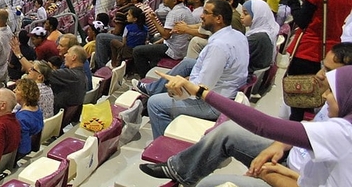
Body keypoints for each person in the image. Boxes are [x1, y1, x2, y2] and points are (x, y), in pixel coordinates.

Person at [139, 42, 352, 185]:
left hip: (293, 176)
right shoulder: (341, 99)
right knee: (229, 131)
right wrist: (281, 144)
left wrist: (272, 173)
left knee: (208, 184)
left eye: (328, 70)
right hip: (296, 164)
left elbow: (264, 125)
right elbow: (309, 130)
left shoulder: (343, 131)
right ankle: (178, 168)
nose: (320, 75)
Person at [137, 0, 249, 138]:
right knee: (188, 63)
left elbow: (201, 89)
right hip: (226, 92)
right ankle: (153, 89)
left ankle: (165, 150)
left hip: (214, 104)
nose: (201, 16)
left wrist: (179, 86)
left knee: (155, 103)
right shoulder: (237, 35)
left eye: (206, 13)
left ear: (218, 18)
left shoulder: (218, 47)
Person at [278, 0, 352, 121]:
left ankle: (291, 142)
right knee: (322, 100)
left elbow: (302, 21)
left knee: (298, 104)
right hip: (333, 52)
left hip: (307, 52)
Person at [133, 0, 193, 77]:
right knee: (154, 39)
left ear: (174, 1)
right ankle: (153, 65)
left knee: (137, 51)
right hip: (182, 46)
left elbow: (165, 35)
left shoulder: (174, 13)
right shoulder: (186, 9)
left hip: (175, 50)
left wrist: (154, 20)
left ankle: (144, 77)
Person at [13, 78, 44, 159]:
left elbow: (23, 149)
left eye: (18, 89)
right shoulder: (37, 110)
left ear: (25, 94)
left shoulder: (21, 118)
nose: (14, 90)